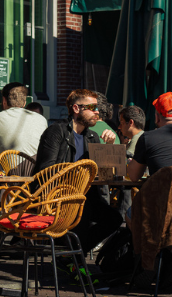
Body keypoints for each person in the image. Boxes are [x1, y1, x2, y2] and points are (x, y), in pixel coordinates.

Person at [33, 89, 122, 261]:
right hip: (56, 198)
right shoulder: (57, 132)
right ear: (76, 108)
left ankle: (69, 258)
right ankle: (73, 262)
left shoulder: (92, 137)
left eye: (97, 108)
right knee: (84, 212)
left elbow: (105, 175)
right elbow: (46, 170)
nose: (97, 112)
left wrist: (109, 148)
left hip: (84, 197)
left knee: (114, 218)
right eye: (92, 107)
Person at [0, 83, 48, 158]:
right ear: (24, 103)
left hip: (7, 169)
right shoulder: (42, 120)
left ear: (4, 100)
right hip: (38, 169)